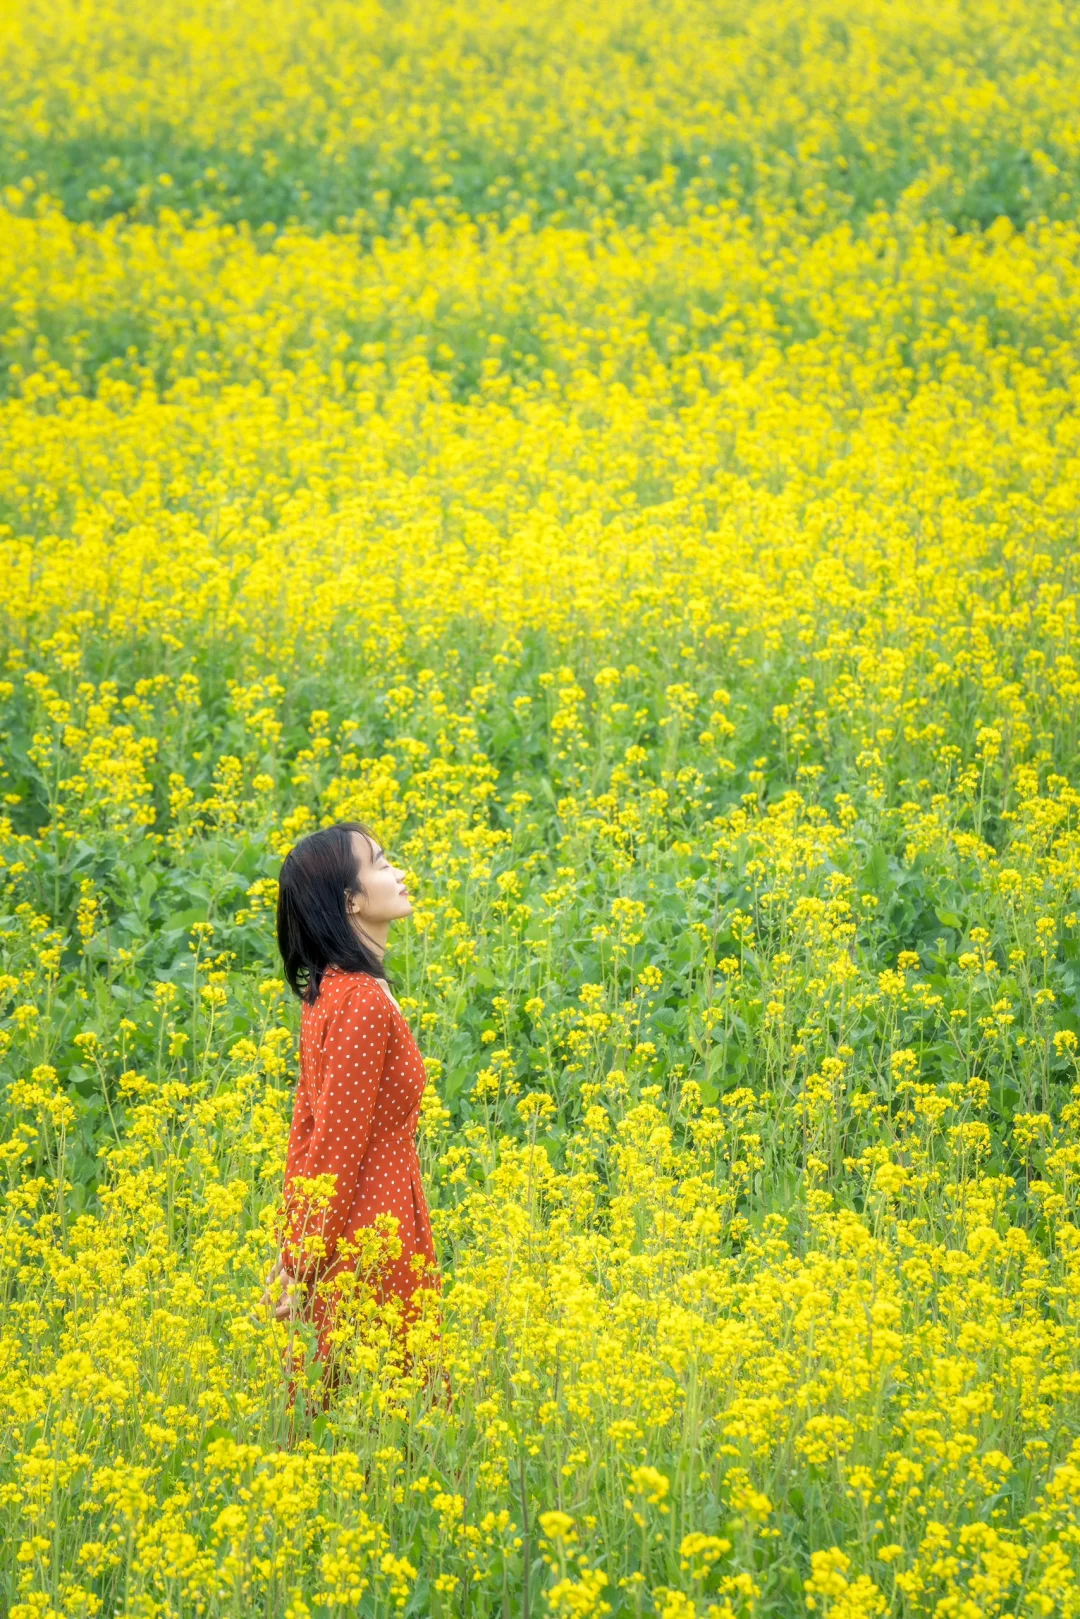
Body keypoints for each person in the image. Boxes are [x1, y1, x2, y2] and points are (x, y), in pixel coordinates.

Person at [261, 819, 440, 1398]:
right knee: (385, 1415)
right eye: (383, 864)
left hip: (353, 1228)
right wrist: (302, 1260)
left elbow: (305, 1133)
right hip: (373, 1232)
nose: (400, 873)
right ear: (352, 900)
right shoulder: (360, 1000)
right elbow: (335, 1143)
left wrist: (298, 1247)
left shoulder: (330, 990)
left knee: (350, 1414)